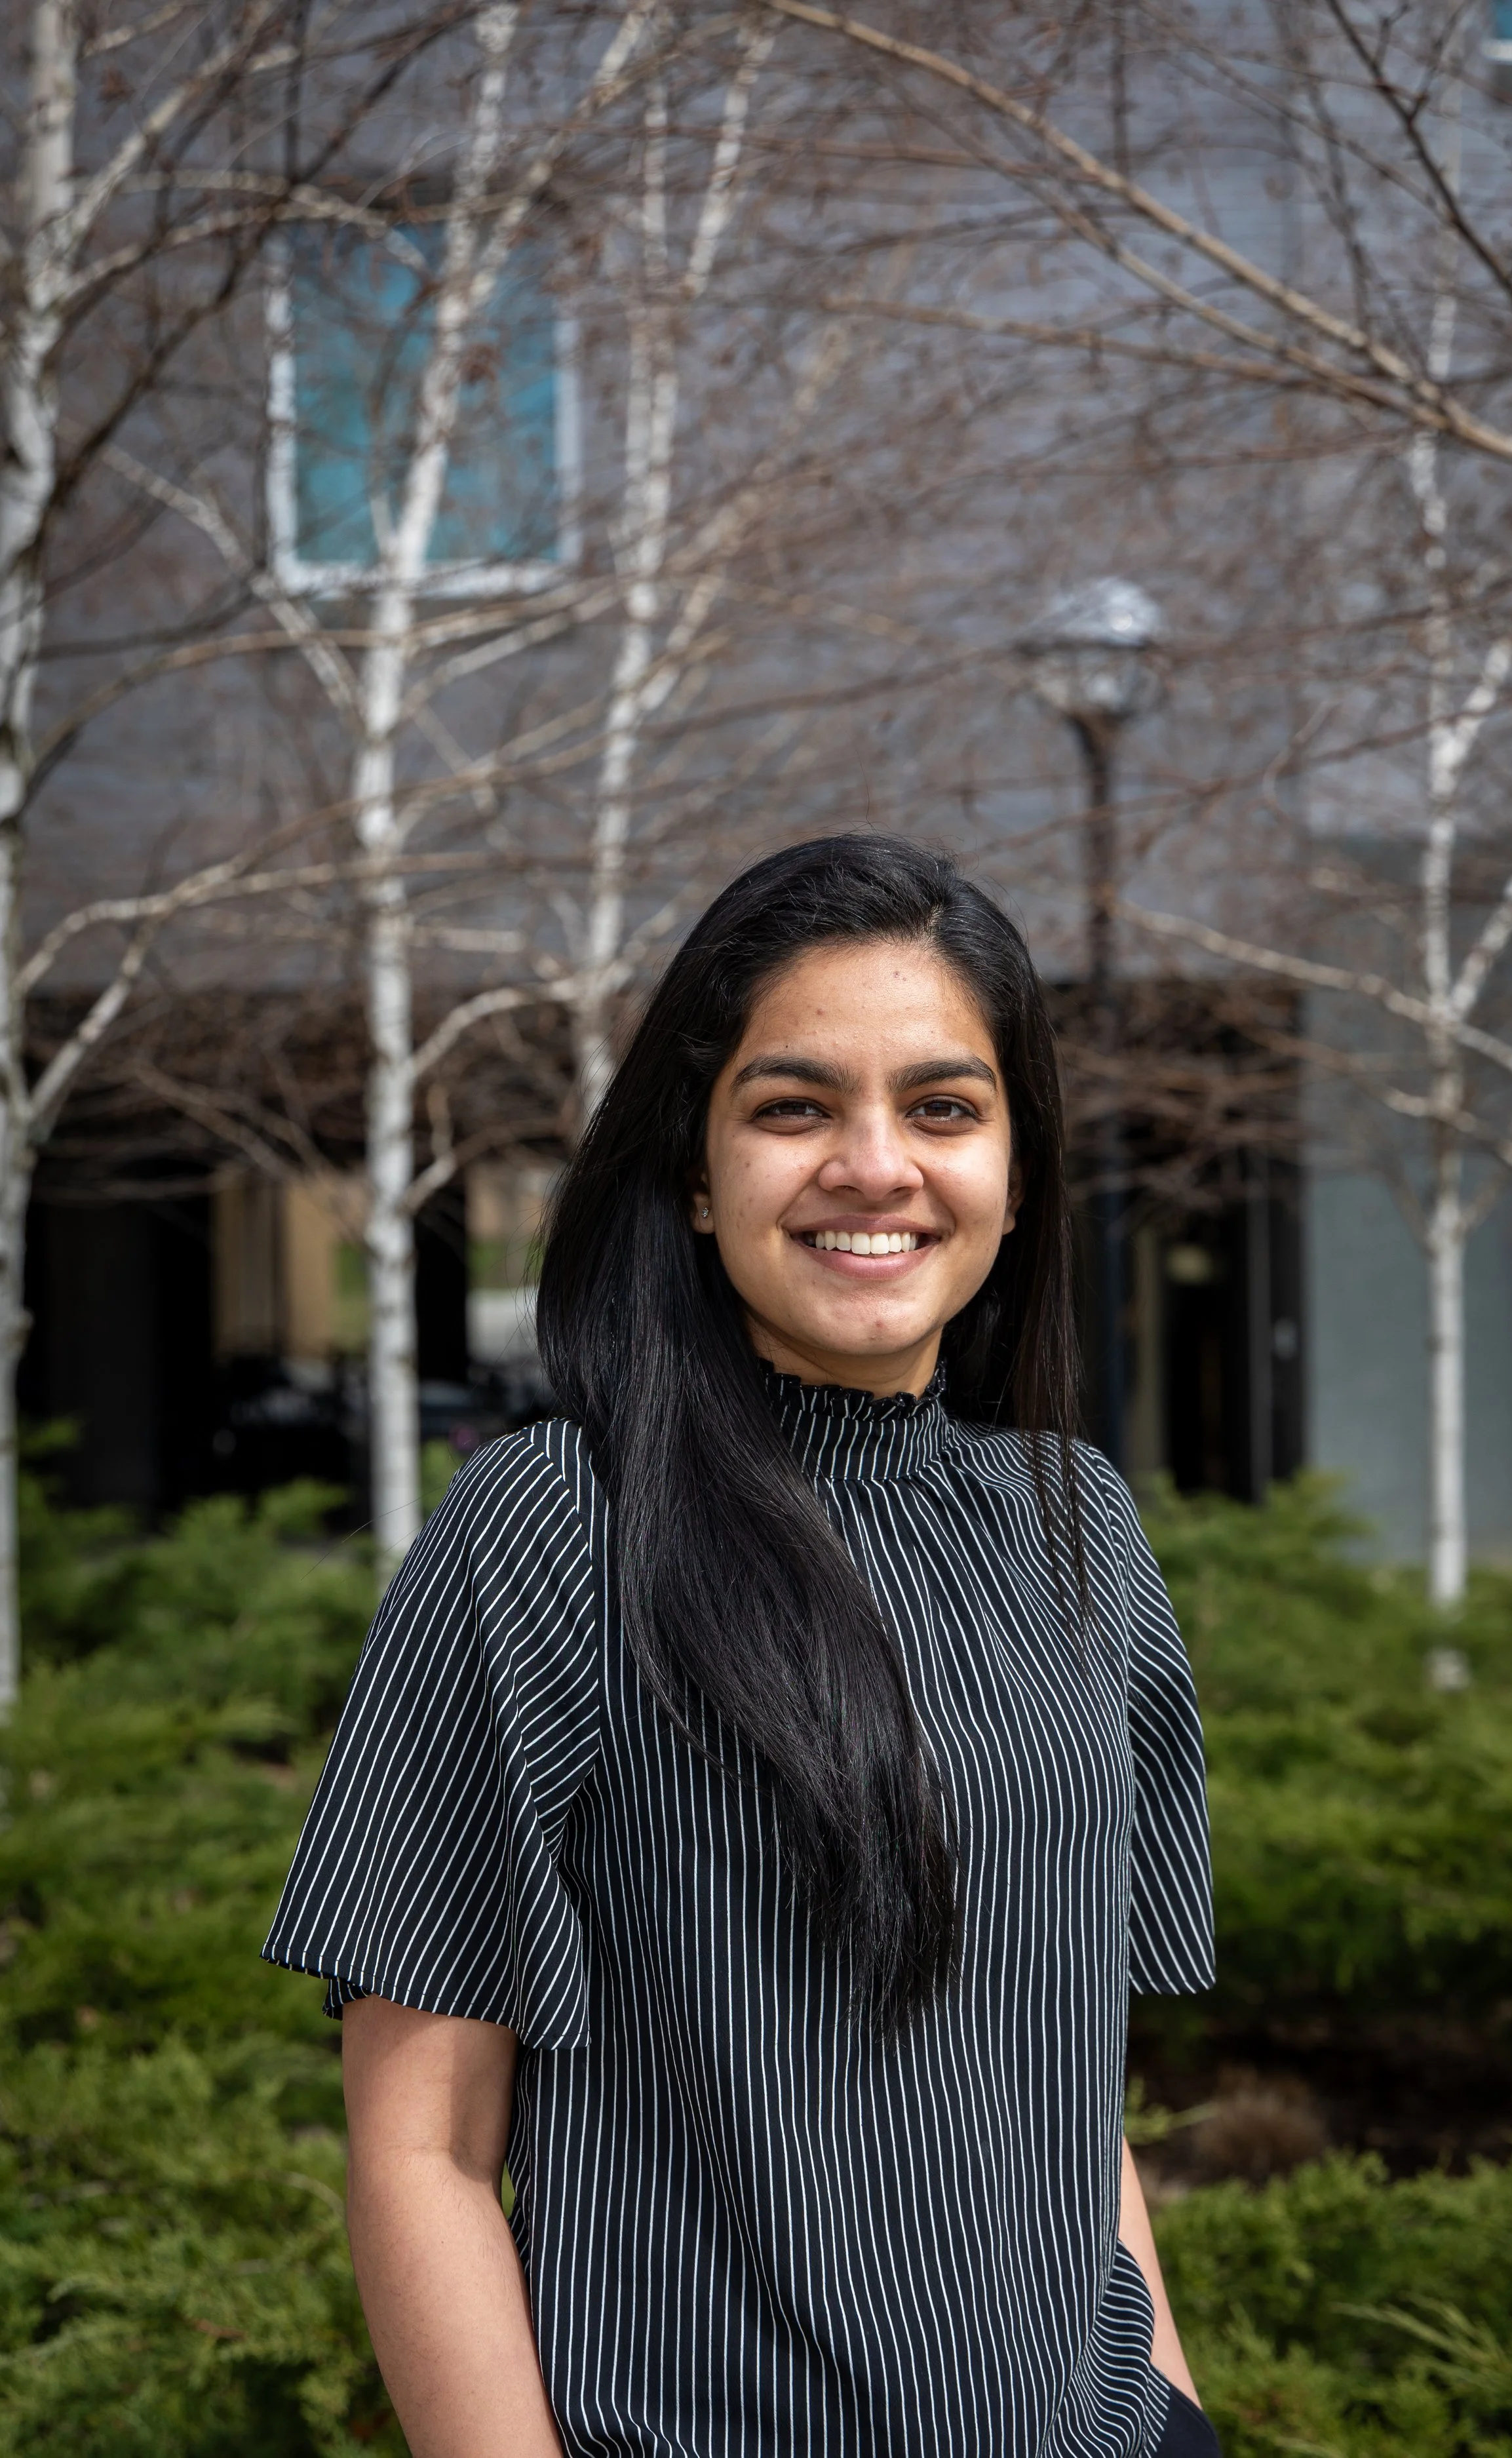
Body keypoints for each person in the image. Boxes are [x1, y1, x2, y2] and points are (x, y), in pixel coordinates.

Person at [265, 834, 1218, 2458]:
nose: (874, 1164)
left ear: (1013, 1169)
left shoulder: (1078, 1525)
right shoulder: (551, 1529)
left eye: (941, 1108)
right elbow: (420, 2150)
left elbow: (1060, 2083)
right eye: (793, 1108)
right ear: (696, 1178)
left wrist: (1175, 2413)